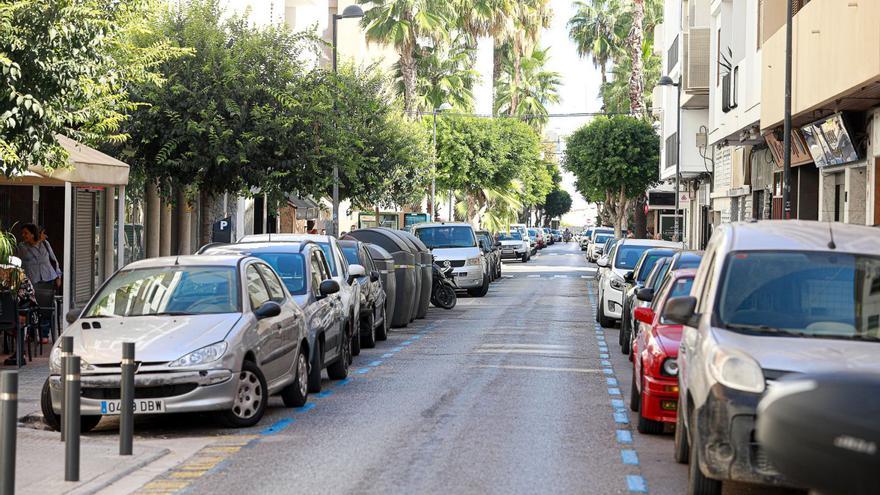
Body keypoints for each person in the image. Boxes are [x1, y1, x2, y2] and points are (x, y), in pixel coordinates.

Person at [17, 224, 61, 344]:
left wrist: (58, 275)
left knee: (45, 307)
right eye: (23, 233)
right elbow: (24, 256)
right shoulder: (22, 247)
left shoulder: (45, 244)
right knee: (32, 306)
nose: (23, 236)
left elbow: (53, 260)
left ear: (33, 234)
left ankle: (44, 334)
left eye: (26, 233)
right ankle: (31, 334)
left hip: (48, 278)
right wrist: (37, 242)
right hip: (32, 281)